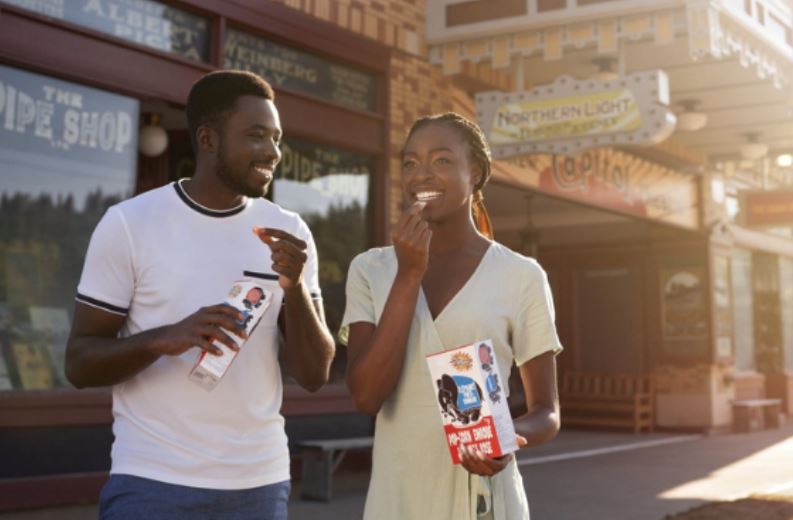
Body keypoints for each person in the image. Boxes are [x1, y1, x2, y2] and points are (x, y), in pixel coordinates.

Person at [65, 70, 336, 519]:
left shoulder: (287, 230)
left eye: (277, 138)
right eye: (256, 135)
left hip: (259, 484)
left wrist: (294, 287)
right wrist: (162, 338)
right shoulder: (130, 224)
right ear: (208, 140)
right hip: (153, 482)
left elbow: (314, 373)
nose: (272, 152)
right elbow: (79, 363)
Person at [341, 112, 562, 519]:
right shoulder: (370, 269)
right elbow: (366, 396)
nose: (421, 175)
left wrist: (507, 438)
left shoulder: (521, 276)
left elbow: (547, 412)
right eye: (410, 163)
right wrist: (408, 275)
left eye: (441, 161)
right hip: (400, 496)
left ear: (474, 173)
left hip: (484, 499)